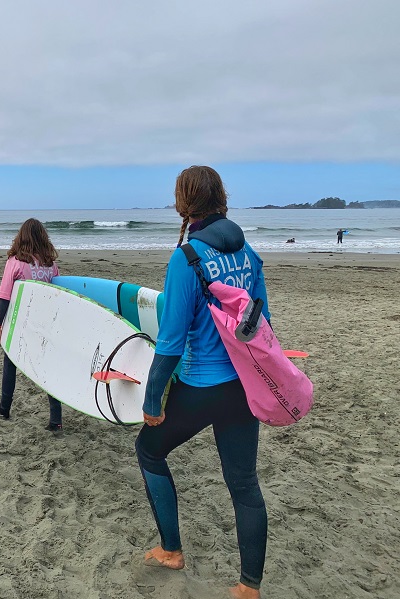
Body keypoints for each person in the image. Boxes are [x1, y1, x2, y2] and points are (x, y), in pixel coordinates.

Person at [135, 166, 269, 599]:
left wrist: (153, 399)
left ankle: (172, 550)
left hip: (201, 386)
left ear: (184, 200)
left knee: (148, 450)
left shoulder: (187, 256)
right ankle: (249, 587)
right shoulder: (248, 254)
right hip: (244, 388)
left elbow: (171, 341)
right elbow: (262, 323)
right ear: (221, 197)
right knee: (244, 483)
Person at [0, 218, 63, 432]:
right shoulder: (51, 265)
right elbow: (57, 294)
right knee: (47, 368)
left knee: (10, 362)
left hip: (21, 321)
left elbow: (4, 297)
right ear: (43, 238)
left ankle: (4, 408)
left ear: (22, 237)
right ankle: (56, 419)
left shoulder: (15, 262)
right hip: (45, 323)